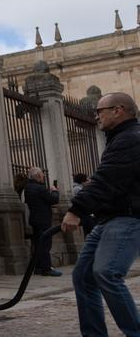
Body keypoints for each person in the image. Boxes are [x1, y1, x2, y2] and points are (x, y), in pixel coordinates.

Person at [63, 92, 140, 336]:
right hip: (109, 217)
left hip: (128, 218)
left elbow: (108, 179)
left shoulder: (131, 138)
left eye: (100, 111)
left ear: (118, 110)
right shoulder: (119, 138)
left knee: (106, 272)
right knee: (84, 277)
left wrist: (76, 210)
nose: (96, 116)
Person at [24, 166, 61, 276]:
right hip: (43, 220)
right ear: (38, 176)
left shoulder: (28, 187)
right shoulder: (40, 188)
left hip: (34, 219)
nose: (44, 176)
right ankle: (46, 268)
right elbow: (54, 200)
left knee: (38, 244)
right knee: (45, 244)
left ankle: (38, 267)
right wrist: (55, 191)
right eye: (42, 174)